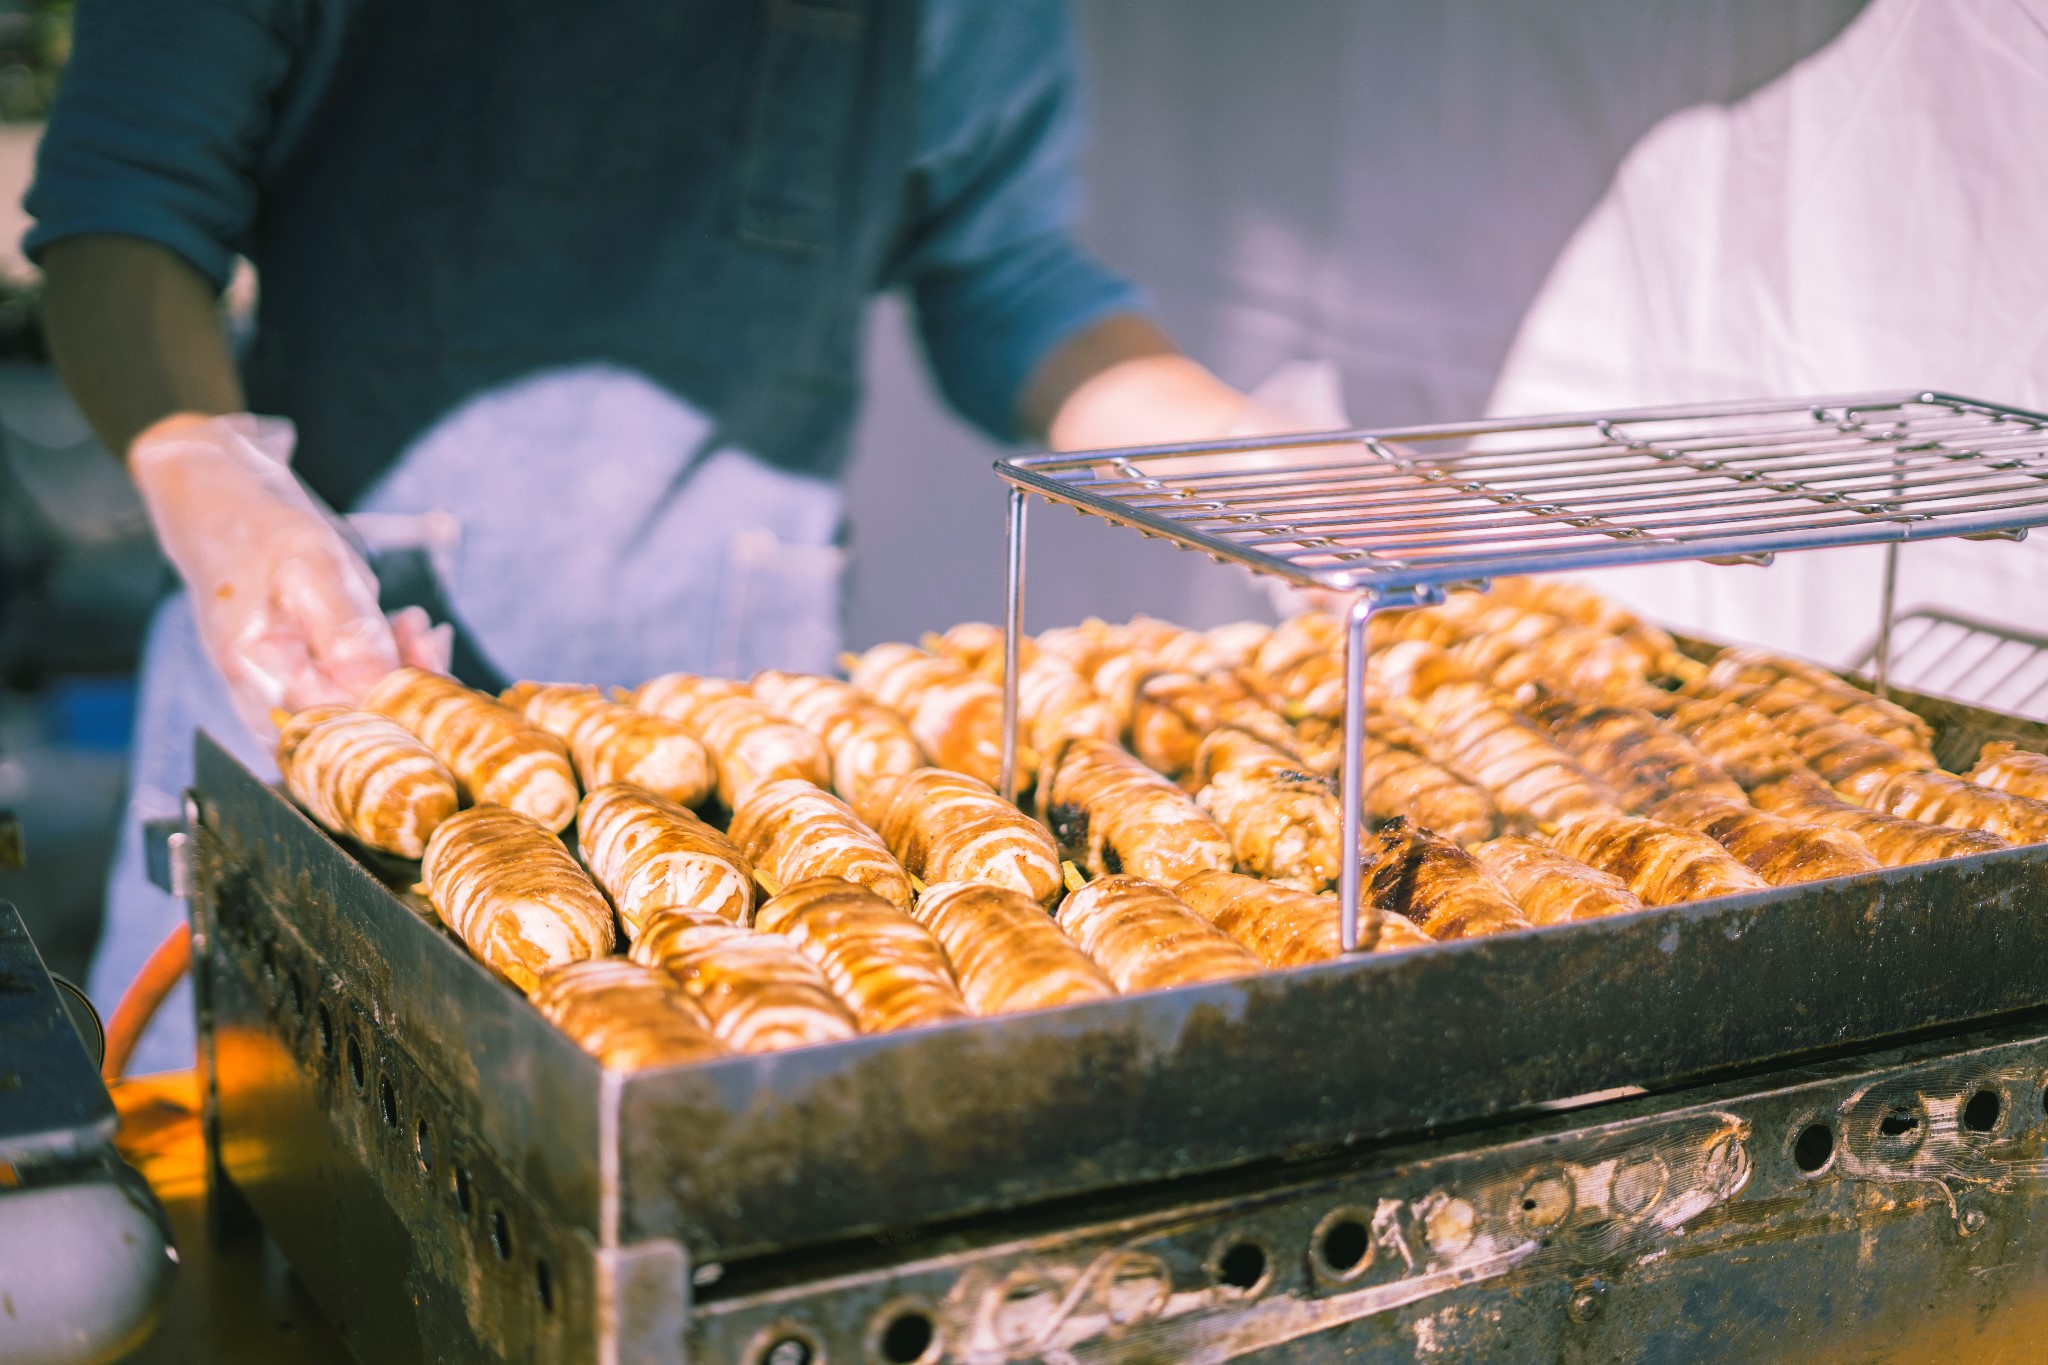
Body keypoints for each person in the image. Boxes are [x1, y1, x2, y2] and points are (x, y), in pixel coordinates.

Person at [26, 0, 1288, 1072]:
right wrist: (216, 483)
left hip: (744, 797)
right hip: (322, 681)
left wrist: (1251, 466)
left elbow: (1004, 272)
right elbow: (119, 212)